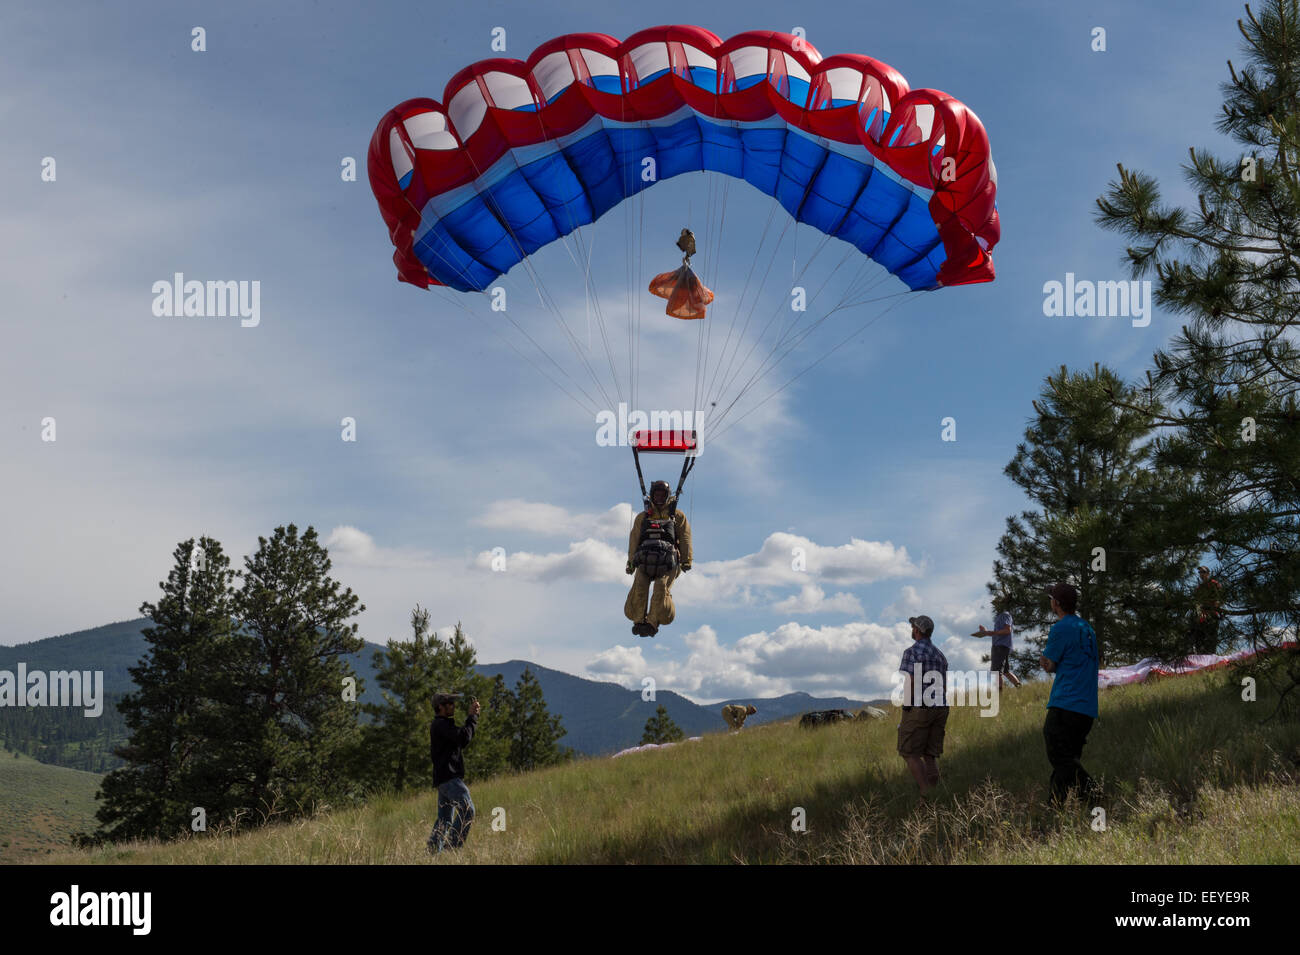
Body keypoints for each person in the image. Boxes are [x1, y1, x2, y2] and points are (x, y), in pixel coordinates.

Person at [1039, 583, 1099, 807]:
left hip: (1066, 702)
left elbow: (1049, 663)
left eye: (1051, 598)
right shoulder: (1088, 629)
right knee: (1068, 759)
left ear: (1056, 603)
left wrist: (1045, 662)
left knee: (1058, 754)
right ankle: (1055, 806)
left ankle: (1093, 792)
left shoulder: (1061, 628)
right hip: (1087, 707)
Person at [624, 479, 693, 637]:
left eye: (663, 494)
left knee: (661, 587)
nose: (660, 497)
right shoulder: (643, 517)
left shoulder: (677, 516)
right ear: (652, 495)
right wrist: (630, 563)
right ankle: (639, 620)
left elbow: (685, 538)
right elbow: (634, 539)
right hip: (644, 561)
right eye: (657, 494)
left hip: (669, 562)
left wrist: (687, 560)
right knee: (640, 585)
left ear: (668, 495)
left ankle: (652, 623)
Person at [896, 614, 948, 799]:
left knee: (909, 752)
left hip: (920, 706)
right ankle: (935, 796)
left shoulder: (911, 652)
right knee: (930, 754)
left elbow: (909, 680)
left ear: (917, 630)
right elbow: (944, 685)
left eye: (913, 627)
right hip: (941, 706)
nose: (912, 630)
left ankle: (925, 793)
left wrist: (907, 707)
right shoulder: (940, 655)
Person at [427, 691, 481, 854]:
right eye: (450, 703)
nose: (454, 706)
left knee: (444, 820)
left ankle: (432, 853)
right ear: (441, 707)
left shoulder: (442, 725)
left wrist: (471, 718)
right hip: (450, 779)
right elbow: (464, 738)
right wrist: (472, 717)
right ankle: (451, 849)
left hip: (443, 779)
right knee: (468, 810)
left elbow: (460, 737)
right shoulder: (441, 725)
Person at [974, 595, 1022, 688]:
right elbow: (999, 632)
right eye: (995, 604)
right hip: (1001, 645)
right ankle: (1019, 688)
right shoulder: (1001, 616)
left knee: (996, 672)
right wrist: (986, 632)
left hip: (1001, 646)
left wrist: (991, 632)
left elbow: (1007, 630)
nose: (995, 606)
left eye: (997, 604)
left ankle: (1000, 696)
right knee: (1006, 671)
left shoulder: (1005, 615)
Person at [1190, 565, 1223, 655]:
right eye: (1200, 572)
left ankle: (1211, 660)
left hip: (1212, 614)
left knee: (1211, 640)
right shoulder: (1199, 588)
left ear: (1208, 573)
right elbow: (1196, 603)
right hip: (1202, 616)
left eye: (1203, 572)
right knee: (1199, 639)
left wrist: (1216, 605)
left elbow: (1220, 597)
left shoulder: (1214, 583)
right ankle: (1201, 660)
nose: (1201, 574)